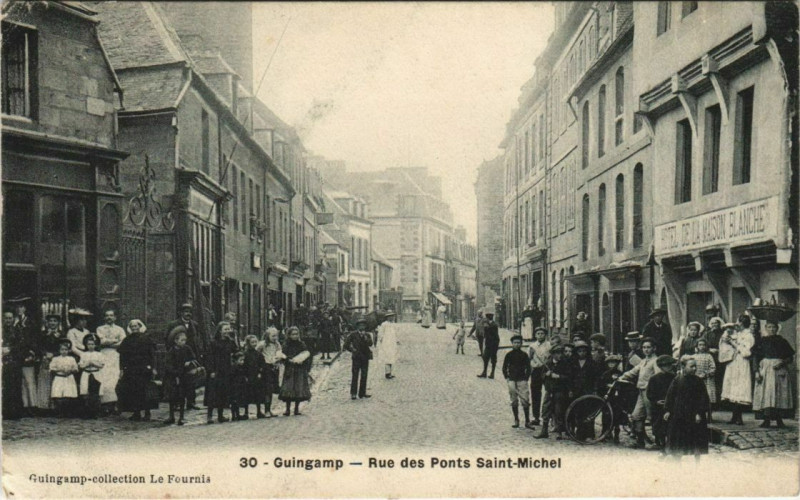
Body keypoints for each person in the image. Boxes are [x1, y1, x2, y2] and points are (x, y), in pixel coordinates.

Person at [752, 320, 795, 428]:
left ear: (777, 328)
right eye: (769, 327)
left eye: (774, 327)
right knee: (766, 394)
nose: (772, 329)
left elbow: (790, 358)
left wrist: (782, 362)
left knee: (779, 394)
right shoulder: (761, 341)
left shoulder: (783, 341)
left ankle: (779, 420)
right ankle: (766, 420)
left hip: (779, 370)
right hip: (765, 370)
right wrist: (756, 371)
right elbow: (755, 357)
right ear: (766, 328)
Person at [664, 357, 710, 457]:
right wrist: (668, 410)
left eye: (695, 366)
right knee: (678, 438)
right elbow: (670, 395)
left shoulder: (698, 381)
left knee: (695, 440)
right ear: (683, 367)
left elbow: (703, 398)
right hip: (679, 413)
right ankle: (677, 460)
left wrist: (699, 413)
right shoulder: (677, 379)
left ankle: (696, 463)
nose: (694, 369)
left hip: (694, 415)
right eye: (691, 366)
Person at [619, 337, 659, 449]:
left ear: (654, 348)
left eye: (649, 347)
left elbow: (658, 376)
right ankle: (640, 441)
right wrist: (621, 377)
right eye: (644, 347)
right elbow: (633, 371)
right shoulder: (643, 361)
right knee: (636, 416)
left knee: (652, 417)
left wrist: (651, 387)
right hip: (641, 392)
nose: (646, 350)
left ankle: (658, 442)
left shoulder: (655, 361)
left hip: (650, 392)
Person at [117, 319, 157, 422]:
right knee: (133, 391)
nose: (134, 328)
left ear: (140, 327)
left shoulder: (146, 339)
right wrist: (121, 369)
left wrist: (153, 367)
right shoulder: (127, 340)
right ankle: (136, 413)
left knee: (145, 390)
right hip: (131, 370)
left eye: (136, 326)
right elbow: (122, 356)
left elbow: (152, 354)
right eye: (132, 327)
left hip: (143, 369)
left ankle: (147, 413)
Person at [534, 345, 572, 440]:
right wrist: (546, 375)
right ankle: (544, 431)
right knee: (545, 409)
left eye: (561, 353)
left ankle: (559, 432)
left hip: (560, 391)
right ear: (553, 354)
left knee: (558, 410)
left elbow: (569, 377)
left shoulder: (565, 364)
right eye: (557, 353)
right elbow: (541, 376)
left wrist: (558, 376)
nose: (560, 355)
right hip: (549, 390)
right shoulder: (548, 363)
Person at [719, 321, 753, 425]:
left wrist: (733, 343)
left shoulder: (747, 336)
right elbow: (723, 348)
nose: (736, 327)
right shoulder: (732, 335)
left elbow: (746, 352)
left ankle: (739, 418)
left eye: (738, 325)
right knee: (732, 389)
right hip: (732, 363)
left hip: (742, 364)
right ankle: (734, 417)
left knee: (740, 389)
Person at [204, 321, 237, 424]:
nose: (227, 331)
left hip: (226, 370)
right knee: (213, 393)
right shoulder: (213, 342)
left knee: (223, 393)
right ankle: (209, 415)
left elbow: (236, 352)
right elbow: (209, 357)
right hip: (216, 370)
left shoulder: (230, 341)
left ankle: (220, 415)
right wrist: (211, 370)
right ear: (220, 330)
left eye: (229, 329)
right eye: (225, 329)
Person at [163, 330, 197, 425]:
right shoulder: (172, 351)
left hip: (184, 376)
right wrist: (176, 371)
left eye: (185, 340)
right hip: (173, 377)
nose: (184, 342)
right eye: (182, 340)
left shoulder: (187, 349)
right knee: (172, 397)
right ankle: (171, 416)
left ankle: (181, 417)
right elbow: (168, 364)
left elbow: (193, 358)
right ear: (176, 341)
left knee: (182, 396)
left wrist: (189, 363)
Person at [96, 309, 126, 411]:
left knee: (114, 378)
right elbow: (101, 341)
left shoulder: (120, 329)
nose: (109, 317)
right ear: (104, 318)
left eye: (111, 315)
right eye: (107, 315)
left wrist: (110, 342)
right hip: (103, 354)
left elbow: (123, 342)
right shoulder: (100, 329)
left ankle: (114, 404)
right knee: (104, 378)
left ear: (115, 317)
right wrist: (114, 340)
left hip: (115, 354)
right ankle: (104, 404)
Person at [646, 355, 678, 449]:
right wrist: (656, 401)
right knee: (657, 423)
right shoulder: (654, 378)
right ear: (661, 367)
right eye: (667, 365)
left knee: (669, 424)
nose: (669, 367)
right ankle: (658, 442)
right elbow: (649, 393)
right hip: (657, 406)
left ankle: (668, 443)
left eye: (670, 365)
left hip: (670, 406)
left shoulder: (674, 378)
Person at [571, 340, 600, 440]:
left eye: (584, 351)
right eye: (579, 351)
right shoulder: (573, 363)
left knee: (589, 412)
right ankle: (580, 433)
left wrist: (595, 390)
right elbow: (570, 378)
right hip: (577, 391)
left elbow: (596, 378)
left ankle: (589, 434)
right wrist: (571, 390)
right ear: (576, 352)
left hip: (589, 391)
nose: (582, 353)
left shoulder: (592, 363)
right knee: (578, 412)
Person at [279, 326, 312, 415]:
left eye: (297, 334)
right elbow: (282, 356)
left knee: (298, 388)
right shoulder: (286, 345)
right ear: (289, 335)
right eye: (293, 334)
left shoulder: (302, 344)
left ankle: (296, 408)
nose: (295, 336)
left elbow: (306, 354)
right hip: (290, 369)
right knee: (288, 388)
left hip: (299, 369)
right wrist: (288, 360)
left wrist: (303, 362)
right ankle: (287, 409)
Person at [502, 335, 532, 429]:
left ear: (521, 344)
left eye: (518, 343)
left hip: (522, 380)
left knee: (525, 400)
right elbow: (504, 367)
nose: (517, 344)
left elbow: (528, 367)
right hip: (512, 380)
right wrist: (507, 377)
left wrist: (526, 378)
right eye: (515, 343)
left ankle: (527, 421)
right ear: (512, 344)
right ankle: (516, 420)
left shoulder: (524, 355)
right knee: (514, 400)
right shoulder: (509, 355)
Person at [36, 314, 64, 413]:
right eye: (50, 321)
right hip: (45, 359)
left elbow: (64, 347)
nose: (52, 323)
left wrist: (54, 354)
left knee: (56, 382)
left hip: (57, 359)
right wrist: (45, 354)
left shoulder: (61, 334)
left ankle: (55, 406)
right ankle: (44, 406)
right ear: (47, 323)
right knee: (45, 381)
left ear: (58, 323)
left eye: (54, 321)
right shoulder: (43, 334)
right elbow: (38, 346)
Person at [2, 311, 24, 420]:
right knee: (4, 387)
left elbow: (21, 345)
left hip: (14, 362)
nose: (8, 320)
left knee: (14, 387)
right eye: (6, 318)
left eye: (10, 318)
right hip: (2, 361)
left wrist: (10, 349)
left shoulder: (17, 331)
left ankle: (14, 412)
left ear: (13, 319)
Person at [344, 318, 373, 399]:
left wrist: (366, 339)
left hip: (365, 357)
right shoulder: (353, 335)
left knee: (364, 375)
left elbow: (371, 344)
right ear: (357, 326)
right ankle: (353, 393)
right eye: (360, 325)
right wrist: (352, 350)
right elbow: (346, 345)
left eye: (363, 325)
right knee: (355, 375)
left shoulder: (367, 335)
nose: (362, 327)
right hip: (356, 357)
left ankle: (362, 393)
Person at [50, 339, 79, 417]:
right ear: (59, 350)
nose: (64, 351)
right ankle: (59, 412)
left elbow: (76, 369)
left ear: (68, 350)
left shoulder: (71, 359)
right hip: (59, 377)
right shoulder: (55, 359)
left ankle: (67, 412)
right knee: (58, 394)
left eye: (66, 350)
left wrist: (70, 370)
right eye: (62, 349)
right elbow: (52, 368)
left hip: (68, 377)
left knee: (68, 394)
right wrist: (60, 369)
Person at [527, 327, 550, 426]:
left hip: (546, 371)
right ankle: (536, 417)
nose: (540, 335)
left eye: (542, 333)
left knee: (549, 393)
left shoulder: (549, 346)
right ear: (535, 335)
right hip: (536, 371)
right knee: (535, 393)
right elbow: (529, 358)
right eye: (538, 334)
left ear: (545, 335)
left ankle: (549, 418)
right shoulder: (532, 346)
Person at [78, 335, 105, 419]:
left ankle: (96, 412)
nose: (90, 346)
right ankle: (87, 412)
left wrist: (93, 363)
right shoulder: (83, 354)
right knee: (85, 392)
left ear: (95, 345)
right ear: (86, 345)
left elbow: (101, 365)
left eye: (92, 344)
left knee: (96, 393)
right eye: (89, 344)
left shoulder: (99, 354)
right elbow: (81, 365)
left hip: (96, 373)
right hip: (86, 373)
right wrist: (87, 363)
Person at [260, 327, 285, 417]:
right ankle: (266, 410)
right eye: (273, 336)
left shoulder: (277, 344)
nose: (275, 338)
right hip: (266, 367)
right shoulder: (263, 344)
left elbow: (279, 354)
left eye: (276, 336)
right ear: (267, 336)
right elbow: (257, 353)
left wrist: (278, 359)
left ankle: (269, 409)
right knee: (267, 389)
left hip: (274, 367)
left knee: (273, 388)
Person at [599, 354, 624, 443]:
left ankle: (616, 435)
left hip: (617, 398)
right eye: (610, 363)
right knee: (606, 416)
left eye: (613, 363)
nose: (611, 365)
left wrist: (617, 386)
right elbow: (600, 385)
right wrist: (606, 386)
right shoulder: (605, 374)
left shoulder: (620, 374)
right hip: (608, 398)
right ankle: (605, 433)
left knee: (617, 416)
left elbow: (623, 384)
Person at [692, 338, 717, 422]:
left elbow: (713, 368)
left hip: (708, 380)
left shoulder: (709, 356)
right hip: (696, 379)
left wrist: (706, 374)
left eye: (703, 345)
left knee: (708, 397)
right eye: (700, 345)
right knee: (696, 397)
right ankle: (697, 414)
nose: (702, 347)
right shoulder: (694, 356)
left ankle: (709, 415)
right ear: (697, 346)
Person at [243, 334, 268, 419]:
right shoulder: (245, 354)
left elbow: (262, 364)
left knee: (258, 394)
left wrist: (260, 372)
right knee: (246, 395)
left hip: (256, 376)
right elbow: (243, 366)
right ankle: (246, 412)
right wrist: (245, 375)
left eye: (255, 342)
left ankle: (259, 411)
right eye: (252, 342)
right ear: (248, 343)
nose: (254, 344)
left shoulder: (258, 354)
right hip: (248, 376)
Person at [477, 312, 499, 379]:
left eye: (486, 318)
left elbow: (493, 334)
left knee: (493, 359)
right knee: (485, 357)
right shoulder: (487, 324)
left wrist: (487, 327)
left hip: (494, 344)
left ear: (489, 318)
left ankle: (492, 373)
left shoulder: (494, 325)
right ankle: (484, 372)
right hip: (488, 344)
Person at [377, 313, 399, 378]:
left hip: (392, 343)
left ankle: (391, 372)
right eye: (390, 317)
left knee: (392, 357)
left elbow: (395, 333)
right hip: (386, 343)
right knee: (387, 357)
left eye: (392, 317)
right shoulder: (384, 324)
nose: (391, 318)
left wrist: (397, 340)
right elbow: (381, 333)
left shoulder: (394, 325)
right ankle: (387, 373)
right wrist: (381, 340)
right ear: (387, 317)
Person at [229, 351, 249, 421]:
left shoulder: (242, 367)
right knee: (234, 401)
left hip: (241, 386)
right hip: (235, 386)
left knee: (238, 401)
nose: (242, 362)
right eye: (240, 360)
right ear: (236, 360)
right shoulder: (234, 368)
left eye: (243, 360)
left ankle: (238, 414)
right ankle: (234, 415)